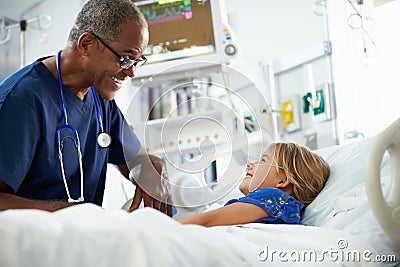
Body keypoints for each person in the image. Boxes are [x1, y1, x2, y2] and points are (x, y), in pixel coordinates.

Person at [0, 0, 171, 215]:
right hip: (31, 244)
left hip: (81, 239)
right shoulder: (22, 101)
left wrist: (152, 166)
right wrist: (63, 213)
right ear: (86, 44)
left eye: (137, 61)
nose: (131, 73)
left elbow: (136, 158)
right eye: (125, 59)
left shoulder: (100, 99)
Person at [180, 142, 330, 226]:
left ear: (283, 181)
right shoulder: (280, 207)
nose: (250, 164)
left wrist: (165, 228)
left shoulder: (275, 198)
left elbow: (208, 220)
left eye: (263, 160)